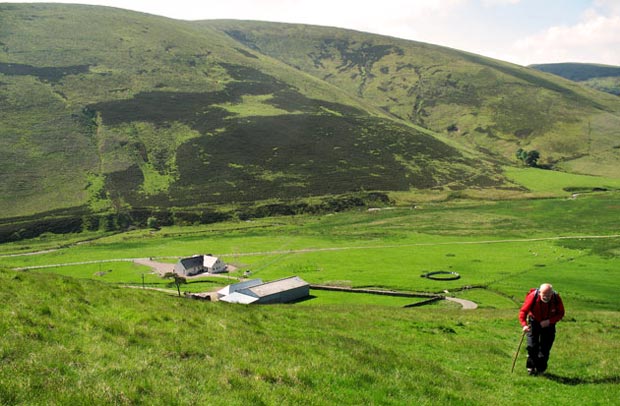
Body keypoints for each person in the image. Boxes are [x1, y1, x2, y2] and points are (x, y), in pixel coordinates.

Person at [518, 283, 565, 375]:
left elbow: (561, 313)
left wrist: (549, 321)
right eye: (544, 295)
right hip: (534, 322)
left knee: (545, 349)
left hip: (549, 325)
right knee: (532, 347)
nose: (546, 297)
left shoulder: (556, 298)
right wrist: (524, 325)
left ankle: (540, 369)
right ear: (539, 293)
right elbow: (523, 311)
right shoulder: (533, 296)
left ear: (552, 293)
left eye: (549, 295)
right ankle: (530, 368)